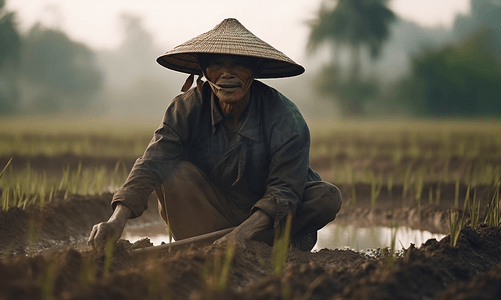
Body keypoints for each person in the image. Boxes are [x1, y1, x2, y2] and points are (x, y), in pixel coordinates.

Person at [88, 18, 341, 252]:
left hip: (269, 217)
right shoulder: (185, 109)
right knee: (172, 173)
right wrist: (116, 221)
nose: (226, 74)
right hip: (212, 213)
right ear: (204, 71)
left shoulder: (284, 117)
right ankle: (230, 244)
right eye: (217, 64)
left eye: (238, 64)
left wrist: (241, 235)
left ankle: (250, 241)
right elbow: (152, 164)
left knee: (326, 197)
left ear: (253, 71)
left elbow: (284, 191)